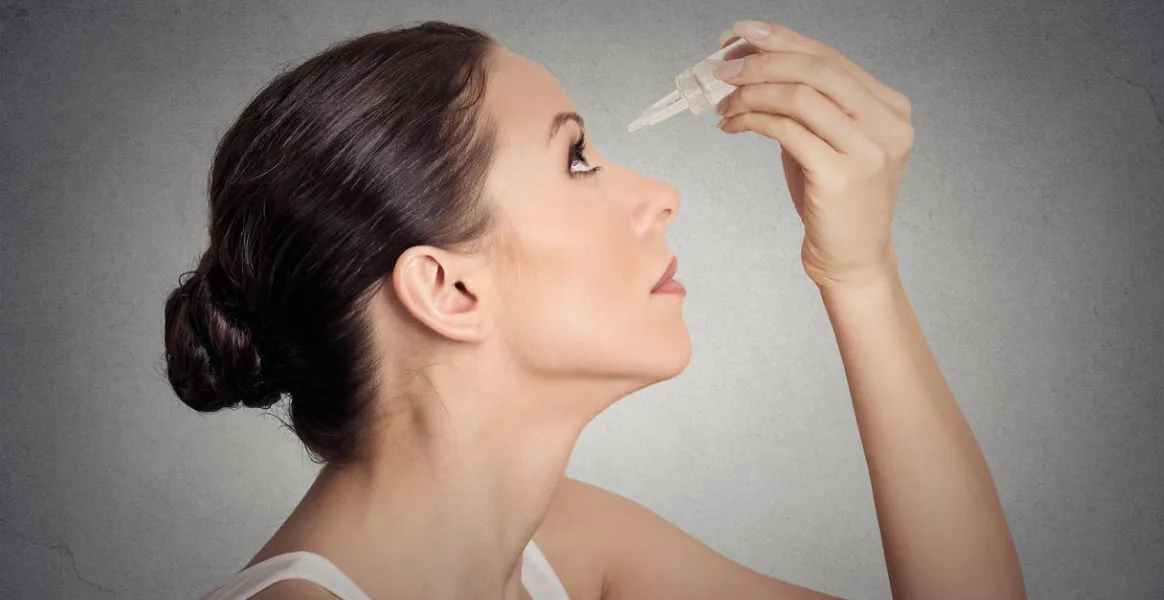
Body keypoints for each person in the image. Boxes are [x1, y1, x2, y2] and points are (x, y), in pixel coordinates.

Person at [164, 18, 1027, 600]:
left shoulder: (563, 551)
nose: (662, 195)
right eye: (578, 159)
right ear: (449, 290)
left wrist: (859, 273)